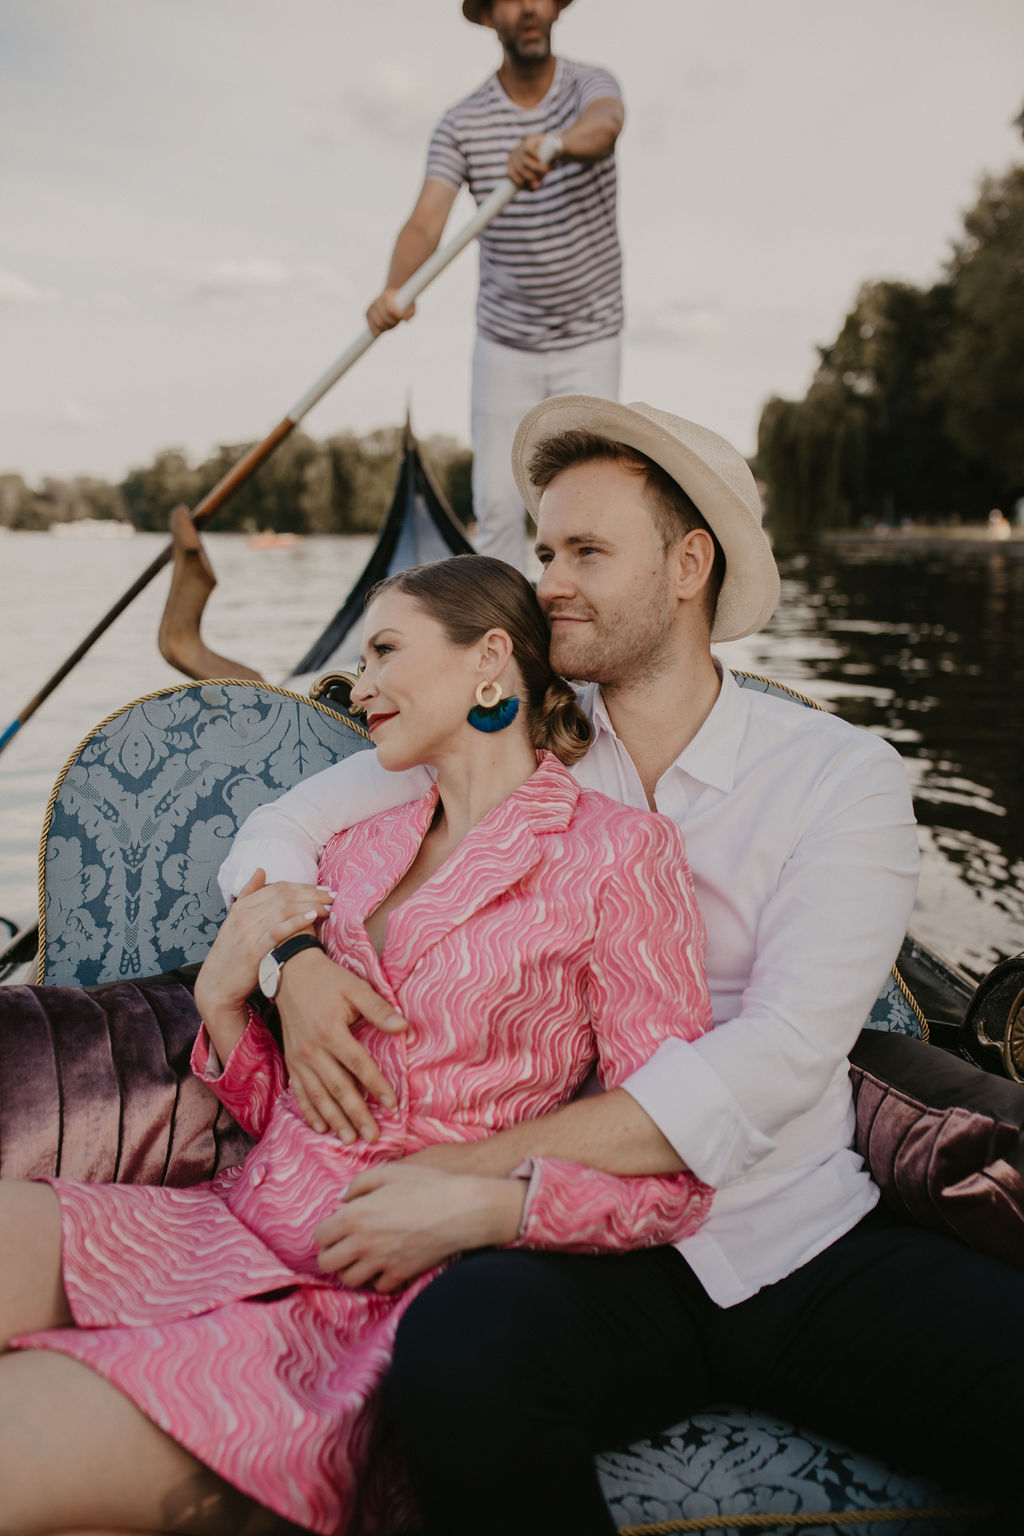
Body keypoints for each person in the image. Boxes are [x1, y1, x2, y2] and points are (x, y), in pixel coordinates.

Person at [219, 396, 1024, 1534]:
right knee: (461, 1358)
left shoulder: (838, 777)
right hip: (588, 1254)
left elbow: (783, 1059)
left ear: (688, 565)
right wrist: (293, 962)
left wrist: (477, 1173)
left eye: (587, 552)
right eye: (543, 548)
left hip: (793, 1240)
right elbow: (271, 837)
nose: (547, 580)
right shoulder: (506, 738)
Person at [0, 556, 715, 1536]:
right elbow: (305, 1101)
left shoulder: (617, 857)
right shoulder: (360, 845)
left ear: (490, 662)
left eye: (384, 652)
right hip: (228, 1220)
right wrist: (223, 1013)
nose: (361, 686)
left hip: (363, 1294)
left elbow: (675, 1160)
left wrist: (487, 1209)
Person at [366, 0, 624, 571]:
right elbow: (425, 221)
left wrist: (553, 144)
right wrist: (394, 291)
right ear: (488, 16)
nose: (527, 7)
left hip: (591, 333)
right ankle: (510, 647)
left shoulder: (589, 84)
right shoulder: (462, 123)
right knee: (500, 507)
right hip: (506, 340)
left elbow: (605, 125)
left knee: (590, 503)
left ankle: (586, 648)